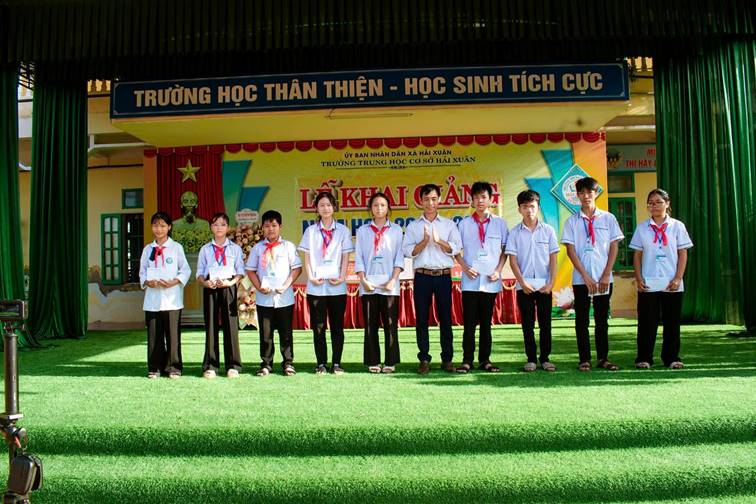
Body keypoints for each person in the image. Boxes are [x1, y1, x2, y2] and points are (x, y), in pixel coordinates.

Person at [561, 177, 625, 372]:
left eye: (590, 192)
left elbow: (614, 246)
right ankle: (584, 359)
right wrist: (586, 277)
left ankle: (603, 358)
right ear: (577, 195)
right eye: (582, 192)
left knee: (601, 319)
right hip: (582, 280)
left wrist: (606, 274)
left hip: (604, 279)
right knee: (581, 320)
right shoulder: (572, 221)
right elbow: (571, 251)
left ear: (596, 193)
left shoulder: (608, 218)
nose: (586, 196)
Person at [402, 183, 462, 374]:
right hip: (422, 276)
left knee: (446, 319)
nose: (430, 203)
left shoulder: (449, 224)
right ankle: (424, 359)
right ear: (420, 201)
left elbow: (456, 248)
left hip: (443, 276)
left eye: (434, 199)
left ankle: (447, 359)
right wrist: (423, 242)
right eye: (426, 199)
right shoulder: (413, 226)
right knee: (421, 319)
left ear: (439, 200)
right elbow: (407, 251)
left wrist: (438, 241)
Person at [630, 189, 693, 370]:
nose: (654, 206)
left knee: (672, 322)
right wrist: (639, 278)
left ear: (667, 203)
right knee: (646, 323)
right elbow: (637, 255)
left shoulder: (677, 226)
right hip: (648, 282)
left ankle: (671, 358)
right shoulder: (642, 228)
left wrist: (678, 277)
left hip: (672, 281)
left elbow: (683, 253)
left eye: (658, 202)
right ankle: (644, 358)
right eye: (651, 203)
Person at [454, 181, 508, 374]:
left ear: (491, 200)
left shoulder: (500, 223)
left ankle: (485, 360)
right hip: (470, 282)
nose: (479, 201)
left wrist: (498, 270)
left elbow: (505, 250)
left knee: (486, 324)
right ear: (471, 201)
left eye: (483, 197)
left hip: (490, 281)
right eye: (476, 198)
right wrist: (465, 267)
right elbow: (455, 251)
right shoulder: (464, 224)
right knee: (469, 324)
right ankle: (467, 360)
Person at [298, 192, 354, 375]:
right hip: (316, 287)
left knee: (337, 327)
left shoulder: (343, 230)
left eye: (329, 205)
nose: (325, 208)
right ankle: (321, 363)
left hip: (337, 286)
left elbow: (346, 256)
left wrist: (342, 276)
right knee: (318, 327)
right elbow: (307, 257)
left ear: (334, 207)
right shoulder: (310, 231)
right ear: (316, 208)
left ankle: (337, 363)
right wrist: (310, 277)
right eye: (321, 205)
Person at [506, 190, 560, 372]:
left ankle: (545, 358)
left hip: (545, 285)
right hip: (524, 286)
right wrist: (522, 283)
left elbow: (553, 259)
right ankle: (530, 359)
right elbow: (513, 261)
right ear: (519, 209)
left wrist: (551, 283)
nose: (529, 210)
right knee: (527, 324)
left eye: (532, 206)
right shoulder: (514, 233)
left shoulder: (548, 231)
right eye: (525, 207)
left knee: (545, 324)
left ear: (538, 207)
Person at [247, 210, 303, 376]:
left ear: (280, 227)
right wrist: (259, 287)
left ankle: (288, 363)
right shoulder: (257, 248)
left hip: (284, 298)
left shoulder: (288, 246)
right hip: (264, 298)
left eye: (274, 225)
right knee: (266, 334)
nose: (270, 229)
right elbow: (250, 270)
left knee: (286, 333)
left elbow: (297, 269)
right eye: (266, 226)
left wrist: (285, 286)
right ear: (262, 228)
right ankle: (266, 364)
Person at [354, 192, 404, 373]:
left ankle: (390, 361)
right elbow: (359, 257)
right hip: (369, 285)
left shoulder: (396, 230)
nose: (379, 208)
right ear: (370, 209)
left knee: (390, 324)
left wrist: (393, 280)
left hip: (390, 286)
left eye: (383, 205)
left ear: (388, 208)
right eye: (375, 205)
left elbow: (399, 257)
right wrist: (363, 280)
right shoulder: (362, 231)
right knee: (370, 325)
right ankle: (373, 360)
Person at [139, 212, 191, 379]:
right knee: (154, 335)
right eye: (155, 225)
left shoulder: (176, 248)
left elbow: (185, 270)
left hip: (172, 299)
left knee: (172, 336)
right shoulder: (148, 249)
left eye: (162, 226)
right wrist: (147, 282)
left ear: (169, 227)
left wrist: (174, 281)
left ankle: (174, 367)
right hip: (152, 299)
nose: (159, 229)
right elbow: (142, 272)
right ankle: (155, 368)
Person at [196, 212, 245, 379]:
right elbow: (199, 272)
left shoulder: (235, 248)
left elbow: (240, 271)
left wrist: (231, 283)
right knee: (211, 325)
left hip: (228, 288)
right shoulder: (205, 249)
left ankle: (233, 365)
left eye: (223, 224)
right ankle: (210, 366)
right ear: (211, 227)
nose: (219, 228)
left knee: (231, 326)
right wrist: (205, 282)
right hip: (210, 287)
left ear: (228, 228)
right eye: (216, 224)